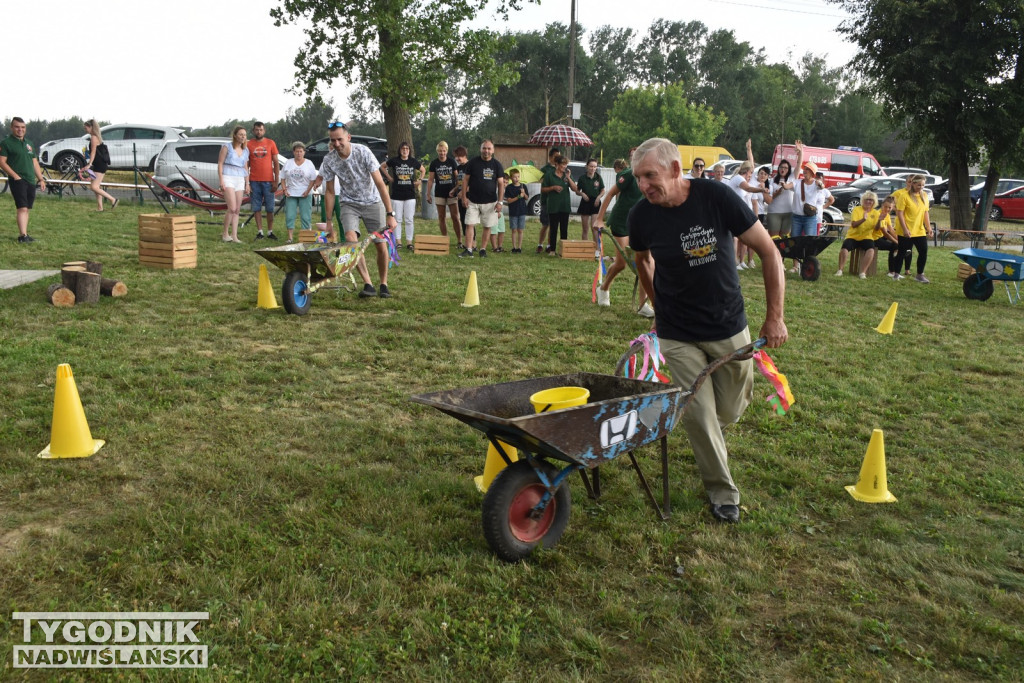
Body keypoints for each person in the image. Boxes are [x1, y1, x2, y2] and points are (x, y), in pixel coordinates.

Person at [628, 137, 788, 524]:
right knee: (698, 411)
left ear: (675, 170)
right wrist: (658, 307)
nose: (644, 185)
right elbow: (642, 260)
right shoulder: (641, 216)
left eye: (650, 175)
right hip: (676, 331)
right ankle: (722, 493)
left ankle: (685, 425)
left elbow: (770, 252)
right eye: (638, 178)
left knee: (728, 409)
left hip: (727, 324)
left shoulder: (715, 197)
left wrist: (775, 316)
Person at [312, 121, 399, 298]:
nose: (336, 144)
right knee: (351, 241)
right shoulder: (329, 160)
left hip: (372, 201)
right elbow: (329, 192)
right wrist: (329, 222)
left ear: (348, 137)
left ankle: (383, 283)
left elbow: (380, 184)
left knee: (381, 245)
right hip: (348, 203)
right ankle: (368, 284)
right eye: (333, 140)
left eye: (340, 139)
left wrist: (390, 214)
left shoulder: (363, 152)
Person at [593, 149, 652, 317]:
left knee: (645, 263)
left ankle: (642, 305)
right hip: (621, 222)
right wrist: (599, 219)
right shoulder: (628, 175)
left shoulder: (650, 176)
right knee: (622, 264)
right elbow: (611, 193)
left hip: (640, 223)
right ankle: (603, 289)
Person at [0, 117, 46, 243]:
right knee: (22, 208)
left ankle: (25, 234)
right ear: (12, 128)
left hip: (30, 179)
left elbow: (34, 162)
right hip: (18, 180)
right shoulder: (6, 143)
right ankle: (22, 236)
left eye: (23, 127)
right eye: (17, 127)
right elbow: (2, 162)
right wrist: (15, 176)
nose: (20, 130)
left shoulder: (29, 143)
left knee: (27, 208)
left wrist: (41, 179)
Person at [457, 140, 504, 258]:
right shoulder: (473, 162)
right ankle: (469, 249)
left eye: (489, 149)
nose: (486, 151)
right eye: (484, 148)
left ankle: (483, 249)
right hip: (473, 200)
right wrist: (464, 197)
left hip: (490, 202)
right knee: (469, 224)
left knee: (487, 226)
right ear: (480, 149)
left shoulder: (497, 165)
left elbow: (501, 184)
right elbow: (465, 180)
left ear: (492, 151)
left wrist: (500, 202)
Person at [788, 140, 829, 271]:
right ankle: (795, 266)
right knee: (795, 241)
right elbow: (790, 185)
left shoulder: (816, 184)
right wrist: (784, 186)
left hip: (810, 218)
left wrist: (821, 185)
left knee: (810, 242)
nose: (804, 171)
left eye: (807, 170)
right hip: (796, 217)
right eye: (804, 170)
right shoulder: (797, 182)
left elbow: (822, 186)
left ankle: (807, 266)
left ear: (812, 173)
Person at [380, 141, 422, 250]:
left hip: (410, 194)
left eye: (407, 149)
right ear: (400, 150)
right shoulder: (394, 160)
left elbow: (423, 169)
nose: (405, 151)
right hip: (396, 195)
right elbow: (382, 166)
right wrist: (389, 178)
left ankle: (409, 242)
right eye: (403, 149)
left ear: (409, 150)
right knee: (397, 219)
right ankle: (398, 242)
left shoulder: (413, 161)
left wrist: (420, 180)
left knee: (409, 219)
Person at [895, 173, 933, 283]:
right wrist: (905, 229)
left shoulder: (924, 196)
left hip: (919, 230)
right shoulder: (904, 196)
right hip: (906, 230)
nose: (921, 188)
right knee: (902, 252)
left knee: (923, 251)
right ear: (913, 184)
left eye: (923, 185)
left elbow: (925, 213)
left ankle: (919, 274)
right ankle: (896, 274)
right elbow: (900, 214)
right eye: (919, 185)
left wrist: (928, 228)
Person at [836, 190, 881, 278]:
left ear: (874, 202)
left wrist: (879, 220)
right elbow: (854, 224)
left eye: (871, 200)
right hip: (853, 236)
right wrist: (863, 219)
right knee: (844, 248)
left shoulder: (876, 213)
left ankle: (862, 272)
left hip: (866, 236)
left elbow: (876, 228)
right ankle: (840, 270)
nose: (868, 201)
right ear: (863, 200)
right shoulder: (857, 209)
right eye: (867, 199)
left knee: (871, 250)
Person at [280, 141, 319, 242]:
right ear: (293, 152)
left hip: (305, 193)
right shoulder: (288, 163)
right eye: (297, 151)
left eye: (301, 151)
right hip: (291, 193)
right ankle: (290, 237)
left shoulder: (309, 163)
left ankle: (305, 237)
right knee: (290, 215)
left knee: (306, 216)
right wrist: (284, 189)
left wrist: (308, 190)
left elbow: (312, 179)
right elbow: (283, 178)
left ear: (304, 152)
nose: (299, 153)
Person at [247, 122, 280, 240]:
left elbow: (276, 162)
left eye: (260, 130)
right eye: (256, 130)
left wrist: (276, 181)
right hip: (254, 181)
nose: (258, 132)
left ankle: (270, 232)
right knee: (256, 207)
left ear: (264, 131)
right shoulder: (249, 144)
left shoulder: (271, 143)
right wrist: (246, 182)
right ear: (253, 131)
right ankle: (260, 232)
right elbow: (246, 164)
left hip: (268, 181)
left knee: (270, 208)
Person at [217, 126, 250, 243]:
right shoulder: (227, 147)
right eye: (241, 134)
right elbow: (220, 163)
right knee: (232, 208)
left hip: (240, 178)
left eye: (245, 135)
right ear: (235, 135)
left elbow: (245, 167)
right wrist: (221, 180)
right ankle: (225, 233)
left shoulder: (246, 150)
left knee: (237, 210)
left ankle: (234, 235)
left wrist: (247, 183)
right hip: (228, 177)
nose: (243, 137)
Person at [543, 155, 580, 255]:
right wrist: (553, 188)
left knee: (564, 229)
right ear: (557, 164)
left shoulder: (567, 175)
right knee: (553, 229)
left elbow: (575, 189)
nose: (565, 166)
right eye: (563, 164)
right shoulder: (549, 175)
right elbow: (543, 189)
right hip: (553, 206)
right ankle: (552, 250)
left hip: (565, 206)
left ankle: (563, 250)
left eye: (566, 164)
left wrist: (568, 177)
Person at [79, 119, 118, 211]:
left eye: (86, 128)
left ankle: (113, 199)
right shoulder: (96, 137)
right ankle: (100, 208)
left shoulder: (94, 137)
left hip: (100, 165)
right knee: (95, 186)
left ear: (91, 127)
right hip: (98, 164)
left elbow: (93, 152)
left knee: (94, 187)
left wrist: (89, 164)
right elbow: (94, 152)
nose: (85, 130)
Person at [427, 141, 461, 247]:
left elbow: (458, 178)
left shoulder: (452, 162)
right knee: (441, 217)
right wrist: (428, 194)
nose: (442, 153)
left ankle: (459, 240)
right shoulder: (434, 163)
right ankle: (445, 239)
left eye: (444, 151)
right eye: (440, 151)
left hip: (451, 193)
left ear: (446, 151)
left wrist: (456, 189)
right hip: (439, 193)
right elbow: (430, 180)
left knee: (455, 217)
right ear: (437, 151)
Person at [576, 158, 605, 251]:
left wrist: (599, 197)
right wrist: (582, 194)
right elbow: (577, 190)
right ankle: (585, 249)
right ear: (587, 167)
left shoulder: (598, 177)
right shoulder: (582, 178)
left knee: (594, 227)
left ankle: (597, 250)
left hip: (595, 202)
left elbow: (603, 190)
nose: (593, 168)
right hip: (585, 202)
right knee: (585, 228)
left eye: (595, 167)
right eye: (591, 166)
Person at [535, 147, 560, 253]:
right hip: (546, 201)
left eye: (559, 156)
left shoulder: (560, 169)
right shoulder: (545, 169)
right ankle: (540, 244)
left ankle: (550, 245)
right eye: (555, 156)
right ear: (550, 157)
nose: (557, 158)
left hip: (556, 201)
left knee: (553, 225)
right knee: (545, 224)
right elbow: (539, 181)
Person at [766, 158, 795, 237]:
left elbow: (799, 165)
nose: (783, 169)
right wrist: (777, 193)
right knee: (774, 238)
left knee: (785, 238)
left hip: (788, 213)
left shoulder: (791, 179)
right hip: (774, 213)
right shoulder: (772, 180)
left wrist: (800, 152)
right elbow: (769, 198)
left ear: (789, 170)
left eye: (785, 168)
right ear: (778, 168)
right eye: (781, 167)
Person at [449, 146, 470, 248]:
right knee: (462, 219)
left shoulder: (469, 166)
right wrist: (455, 189)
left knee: (469, 220)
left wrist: (463, 192)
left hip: (468, 196)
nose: (457, 159)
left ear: (464, 155)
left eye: (458, 156)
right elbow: (460, 182)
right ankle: (466, 242)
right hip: (460, 197)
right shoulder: (459, 167)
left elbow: (472, 183)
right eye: (456, 157)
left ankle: (472, 243)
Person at [504, 168, 529, 253]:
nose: (517, 178)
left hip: (522, 211)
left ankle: (519, 247)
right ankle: (514, 247)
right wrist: (518, 197)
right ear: (511, 178)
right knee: (514, 229)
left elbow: (526, 198)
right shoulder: (509, 188)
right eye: (515, 177)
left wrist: (523, 193)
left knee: (520, 230)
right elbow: (509, 201)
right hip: (513, 211)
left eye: (518, 176)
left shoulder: (523, 186)